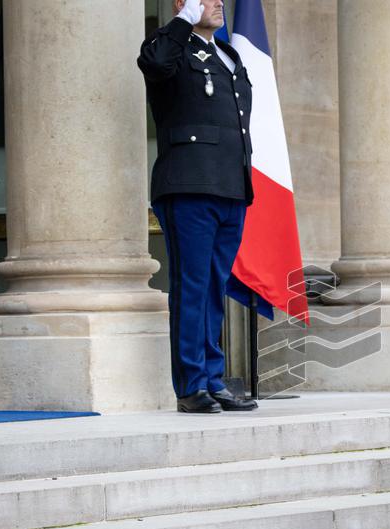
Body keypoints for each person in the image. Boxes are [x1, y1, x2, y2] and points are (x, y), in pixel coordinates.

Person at [137, 0, 257, 413]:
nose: (218, 2)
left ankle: (213, 378)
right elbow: (154, 64)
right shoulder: (170, 45)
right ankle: (191, 386)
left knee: (213, 288)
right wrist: (184, 20)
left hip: (229, 186)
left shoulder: (228, 54)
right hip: (188, 185)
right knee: (192, 288)